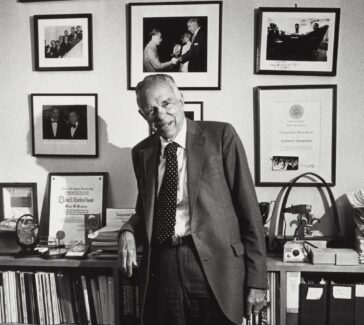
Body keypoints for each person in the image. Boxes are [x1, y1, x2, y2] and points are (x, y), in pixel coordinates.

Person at [119, 74, 267, 325]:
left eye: (166, 103)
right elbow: (144, 212)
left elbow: (249, 211)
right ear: (143, 115)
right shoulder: (142, 152)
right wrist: (127, 231)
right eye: (151, 109)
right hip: (164, 267)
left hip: (215, 266)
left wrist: (257, 280)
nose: (161, 115)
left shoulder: (221, 136)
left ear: (181, 100)